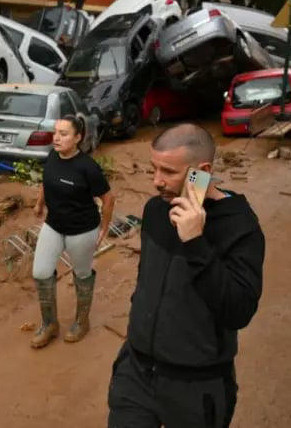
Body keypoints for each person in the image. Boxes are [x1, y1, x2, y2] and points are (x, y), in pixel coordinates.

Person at [108, 123, 265, 427]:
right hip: (136, 375)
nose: (156, 181)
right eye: (153, 169)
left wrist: (196, 242)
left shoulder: (241, 228)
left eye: (168, 171)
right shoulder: (156, 210)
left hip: (196, 386)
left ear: (201, 170)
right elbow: (146, 279)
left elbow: (238, 312)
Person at [31, 115, 115, 348]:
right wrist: (39, 203)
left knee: (82, 274)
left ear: (78, 138)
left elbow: (108, 199)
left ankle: (81, 321)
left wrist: (104, 229)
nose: (56, 138)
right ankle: (49, 324)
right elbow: (46, 182)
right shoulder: (52, 157)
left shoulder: (88, 167)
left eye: (64, 134)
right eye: (55, 132)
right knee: (40, 273)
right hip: (54, 225)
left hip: (82, 229)